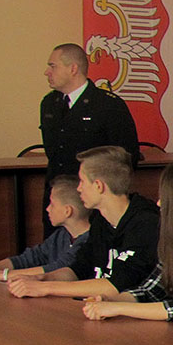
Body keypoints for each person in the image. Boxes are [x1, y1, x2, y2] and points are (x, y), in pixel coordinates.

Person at [82, 162, 173, 327]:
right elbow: (152, 290)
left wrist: (118, 308)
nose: (159, 203)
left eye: (165, 198)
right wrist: (111, 300)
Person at [7, 146, 159, 299]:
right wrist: (41, 279)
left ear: (98, 186)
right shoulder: (101, 220)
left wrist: (45, 288)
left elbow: (116, 286)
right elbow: (78, 269)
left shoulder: (146, 223)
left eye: (82, 181)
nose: (78, 188)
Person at [40, 43, 140, 234]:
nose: (47, 72)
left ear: (73, 68)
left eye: (53, 66)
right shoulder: (49, 104)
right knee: (55, 247)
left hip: (94, 201)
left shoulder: (107, 105)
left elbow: (127, 156)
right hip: (59, 197)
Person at [0, 175, 89, 281]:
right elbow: (31, 258)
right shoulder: (62, 235)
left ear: (67, 211)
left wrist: (1, 275)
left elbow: (55, 269)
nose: (47, 209)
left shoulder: (88, 241)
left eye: (52, 204)